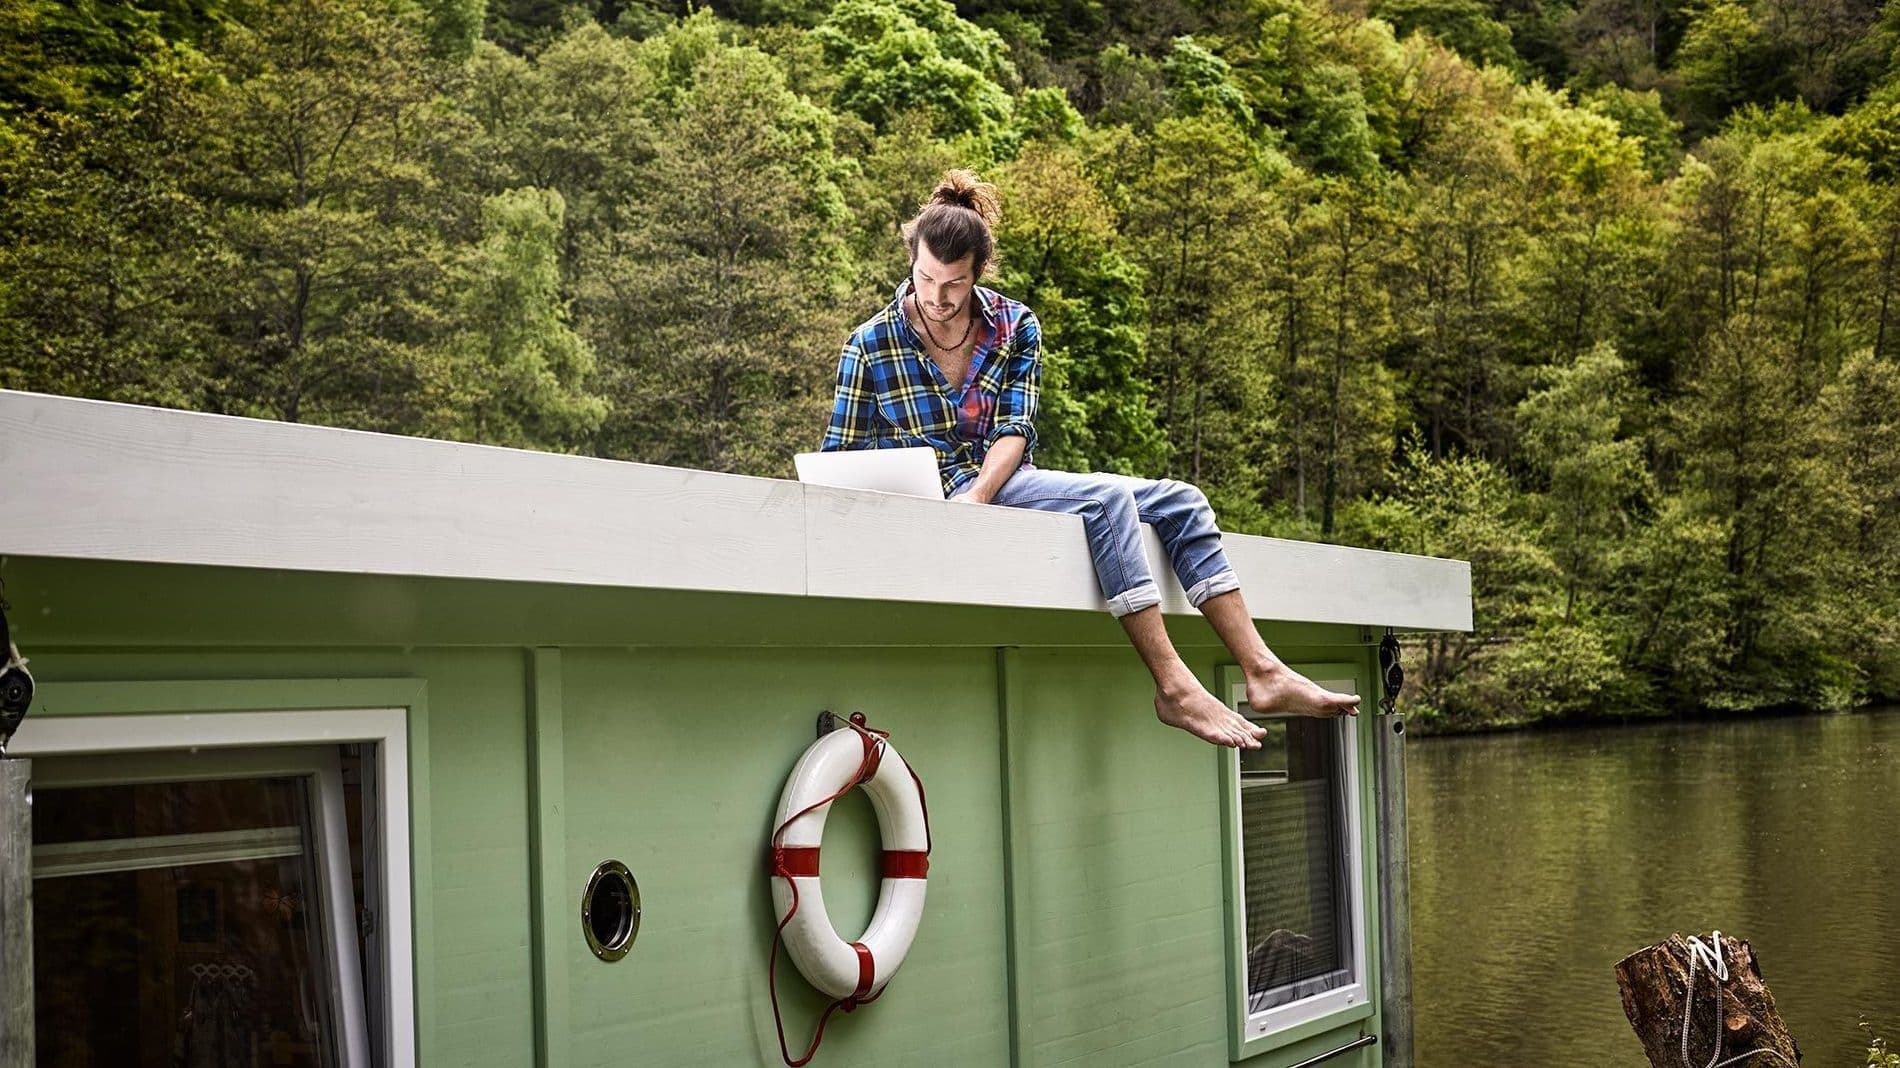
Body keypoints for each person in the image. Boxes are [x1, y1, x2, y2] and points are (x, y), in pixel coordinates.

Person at [821, 169, 1360, 749]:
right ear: (912, 258)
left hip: (998, 482)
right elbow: (838, 455)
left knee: (1184, 501)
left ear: (979, 272)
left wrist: (979, 495)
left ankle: (1264, 671)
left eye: (953, 283)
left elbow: (1015, 429)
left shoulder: (1015, 325)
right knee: (1106, 502)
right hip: (934, 497)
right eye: (925, 277)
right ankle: (1173, 686)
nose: (936, 297)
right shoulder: (869, 342)